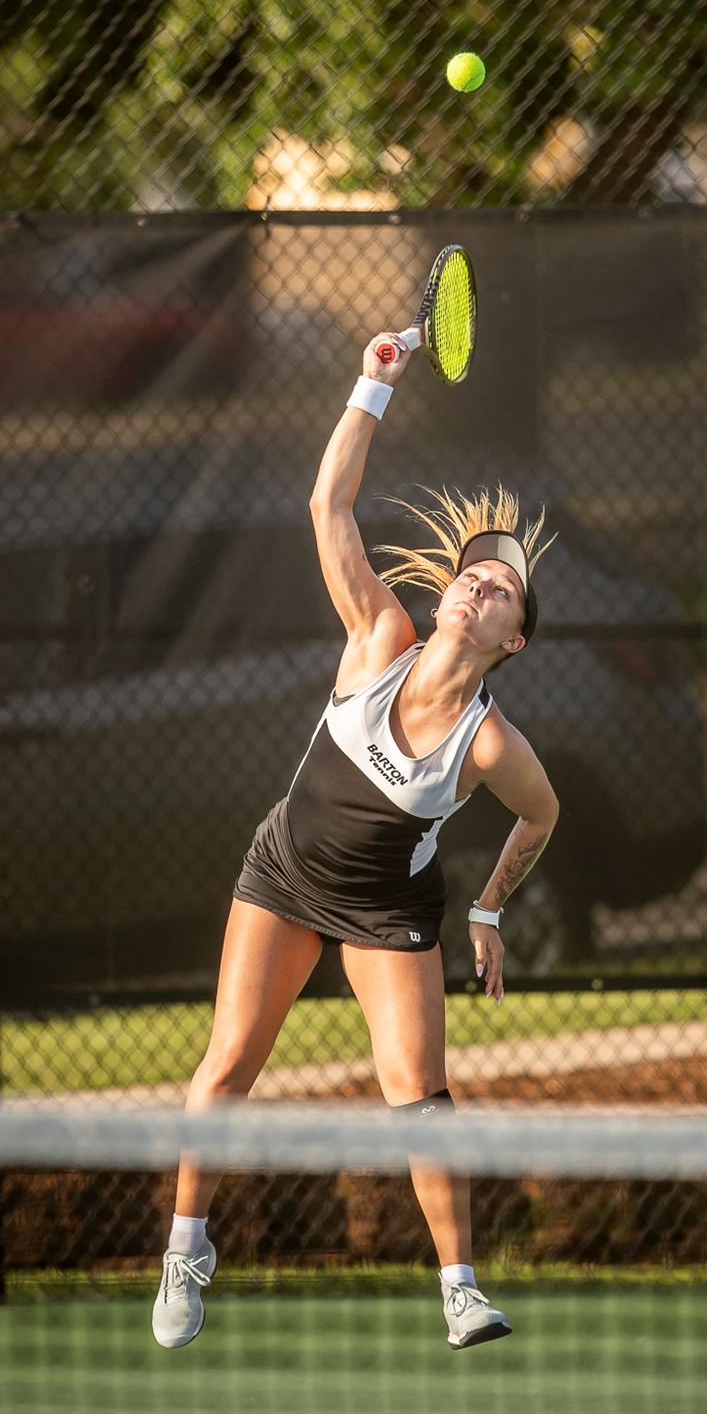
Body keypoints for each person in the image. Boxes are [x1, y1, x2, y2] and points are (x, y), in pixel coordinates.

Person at [152, 328, 559, 1351]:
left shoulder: (491, 743)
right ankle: (185, 1248)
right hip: (284, 872)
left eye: (500, 588)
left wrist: (485, 905)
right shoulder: (379, 635)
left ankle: (461, 1286)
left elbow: (542, 813)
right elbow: (327, 506)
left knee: (417, 1094)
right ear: (444, 595)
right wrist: (370, 384)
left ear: (513, 637)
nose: (477, 583)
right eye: (471, 575)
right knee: (229, 1062)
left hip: (388, 913)